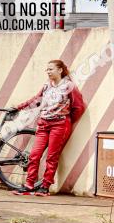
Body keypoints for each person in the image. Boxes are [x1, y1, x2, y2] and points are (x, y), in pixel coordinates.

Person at [11, 60, 86, 196]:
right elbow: (36, 100)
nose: (48, 72)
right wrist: (19, 106)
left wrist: (66, 120)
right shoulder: (47, 85)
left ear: (60, 70)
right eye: (47, 69)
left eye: (51, 69)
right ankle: (29, 185)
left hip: (60, 126)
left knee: (51, 157)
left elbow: (79, 107)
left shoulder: (69, 86)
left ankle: (45, 186)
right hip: (43, 124)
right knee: (34, 155)